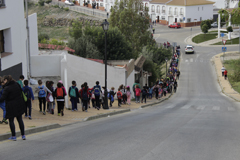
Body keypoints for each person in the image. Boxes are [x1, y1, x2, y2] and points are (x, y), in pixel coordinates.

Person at [0, 75, 26, 141]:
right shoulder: (16, 84)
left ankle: (14, 136)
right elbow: (21, 92)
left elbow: (3, 98)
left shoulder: (7, 88)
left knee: (11, 120)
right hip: (19, 104)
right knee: (20, 120)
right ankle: (23, 135)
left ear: (6, 80)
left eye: (4, 80)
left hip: (10, 105)